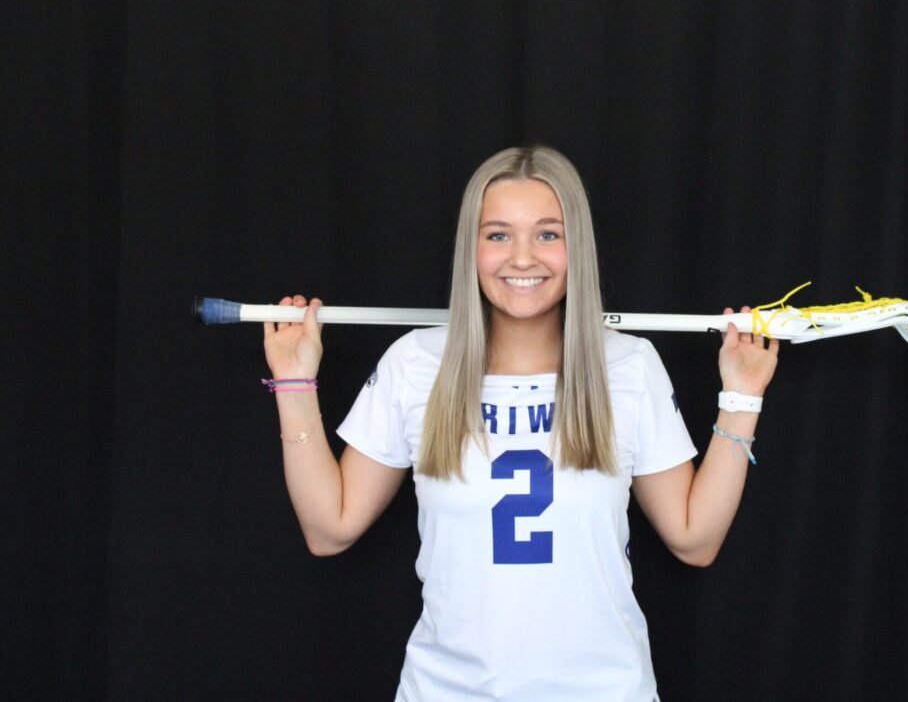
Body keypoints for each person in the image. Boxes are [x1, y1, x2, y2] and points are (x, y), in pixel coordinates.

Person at [262, 146, 779, 701]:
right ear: (473, 248)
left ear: (576, 246)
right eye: (499, 234)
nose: (523, 258)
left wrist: (742, 396)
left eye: (548, 234)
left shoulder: (628, 365)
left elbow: (694, 540)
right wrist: (294, 383)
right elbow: (329, 529)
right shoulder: (415, 364)